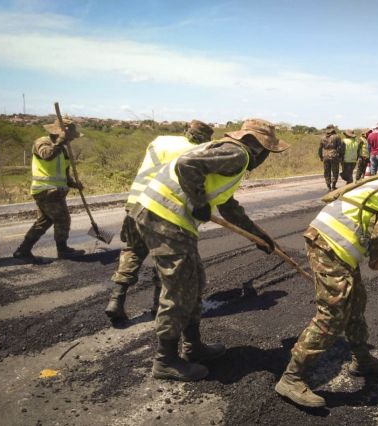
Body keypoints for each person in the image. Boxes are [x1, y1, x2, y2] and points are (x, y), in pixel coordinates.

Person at [274, 159, 378, 408]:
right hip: (331, 245)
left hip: (332, 242)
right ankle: (291, 378)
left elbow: (377, 226)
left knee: (356, 302)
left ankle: (362, 361)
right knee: (333, 314)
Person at [129, 118, 289, 381]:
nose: (265, 158)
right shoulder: (237, 154)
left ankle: (194, 348)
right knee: (179, 287)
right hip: (163, 216)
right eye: (267, 152)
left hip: (173, 220)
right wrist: (199, 200)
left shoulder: (229, 155)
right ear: (258, 146)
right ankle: (165, 361)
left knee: (195, 281)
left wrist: (259, 236)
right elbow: (186, 164)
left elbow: (228, 207)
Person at [105, 120, 214, 323]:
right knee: (163, 257)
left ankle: (116, 299)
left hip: (135, 202)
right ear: (206, 138)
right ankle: (158, 305)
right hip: (159, 209)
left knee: (132, 250)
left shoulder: (161, 141)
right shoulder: (199, 152)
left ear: (186, 131)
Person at [13, 118, 85, 262]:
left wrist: (74, 183)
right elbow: (47, 155)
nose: (72, 139)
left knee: (44, 221)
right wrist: (61, 141)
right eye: (70, 136)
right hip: (46, 190)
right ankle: (63, 250)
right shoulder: (42, 142)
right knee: (62, 219)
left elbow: (64, 174)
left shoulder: (64, 150)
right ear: (61, 133)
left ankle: (23, 250)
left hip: (55, 191)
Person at [318, 125, 344, 191]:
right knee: (335, 171)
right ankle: (333, 186)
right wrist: (341, 156)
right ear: (333, 130)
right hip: (334, 155)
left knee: (326, 171)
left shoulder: (322, 138)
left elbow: (320, 149)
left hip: (325, 156)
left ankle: (328, 186)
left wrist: (321, 156)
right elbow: (340, 148)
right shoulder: (337, 137)